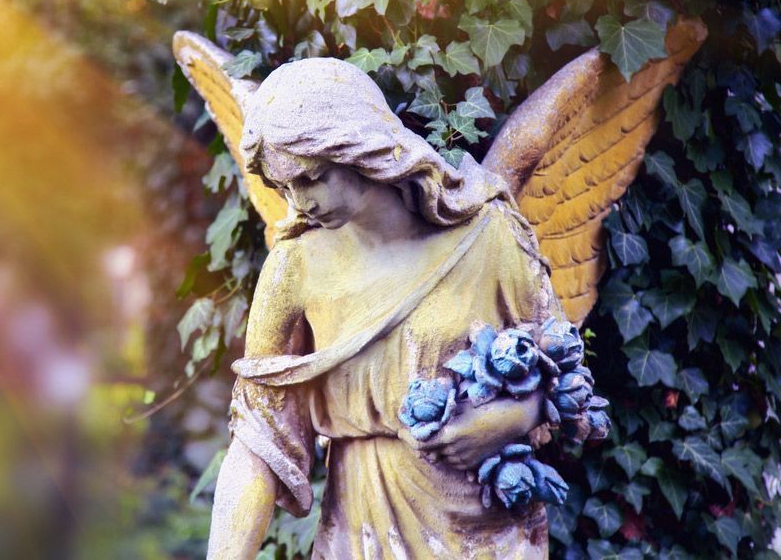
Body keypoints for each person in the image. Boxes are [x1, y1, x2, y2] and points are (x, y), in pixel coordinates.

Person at [206, 58, 563, 559]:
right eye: (284, 188)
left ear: (357, 146)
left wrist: (510, 419)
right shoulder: (295, 266)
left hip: (481, 529)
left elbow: (566, 376)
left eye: (311, 177)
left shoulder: (487, 237)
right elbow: (256, 437)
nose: (300, 202)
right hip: (361, 528)